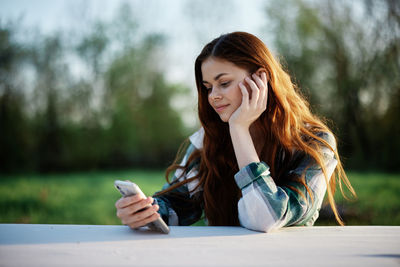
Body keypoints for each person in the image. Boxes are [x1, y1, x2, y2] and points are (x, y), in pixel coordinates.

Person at [115, 31, 356, 232]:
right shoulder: (206, 142)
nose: (213, 96)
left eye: (224, 83)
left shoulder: (314, 143)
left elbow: (266, 218)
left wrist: (239, 130)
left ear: (260, 79)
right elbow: (178, 205)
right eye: (208, 87)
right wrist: (144, 211)